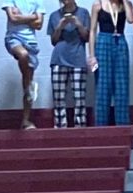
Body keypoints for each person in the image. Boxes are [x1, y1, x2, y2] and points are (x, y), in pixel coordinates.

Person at [1, 0, 46, 131]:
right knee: (23, 54)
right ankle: (29, 83)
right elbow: (13, 18)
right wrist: (32, 16)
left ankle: (26, 120)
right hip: (13, 38)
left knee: (27, 85)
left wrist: (21, 17)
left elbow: (39, 25)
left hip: (31, 42)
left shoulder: (38, 1)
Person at [89, 0, 133, 126]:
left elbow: (131, 19)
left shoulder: (126, 5)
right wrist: (92, 56)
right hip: (103, 41)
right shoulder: (98, 6)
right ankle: (101, 128)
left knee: (122, 86)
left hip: (120, 41)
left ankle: (123, 125)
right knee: (103, 86)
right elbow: (92, 31)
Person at [48, 0, 91, 128]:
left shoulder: (83, 13)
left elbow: (87, 37)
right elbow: (53, 41)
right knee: (58, 98)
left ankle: (80, 126)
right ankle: (60, 126)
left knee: (79, 97)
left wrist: (78, 24)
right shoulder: (54, 15)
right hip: (58, 59)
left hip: (78, 58)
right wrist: (60, 27)